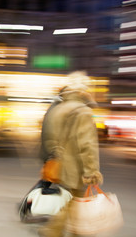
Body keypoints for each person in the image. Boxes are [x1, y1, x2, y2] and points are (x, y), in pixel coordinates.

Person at [38, 71, 103, 237]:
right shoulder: (82, 112)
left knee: (69, 200)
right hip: (75, 167)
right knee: (75, 200)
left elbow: (47, 137)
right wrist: (91, 172)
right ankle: (56, 231)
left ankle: (55, 231)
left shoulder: (57, 108)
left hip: (58, 165)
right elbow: (87, 144)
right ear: (83, 90)